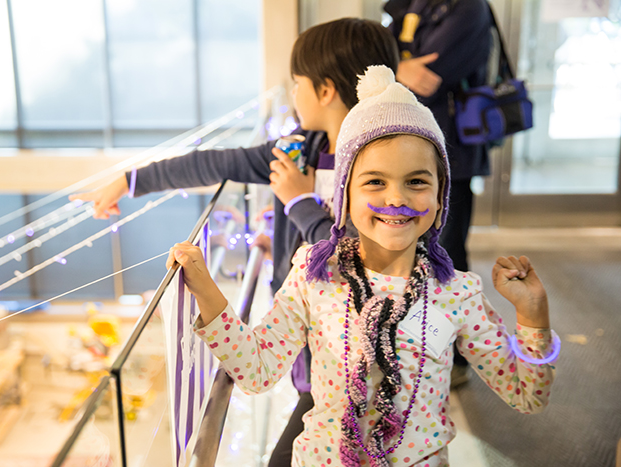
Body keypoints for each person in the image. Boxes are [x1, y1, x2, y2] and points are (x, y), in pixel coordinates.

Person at [167, 65, 558, 466]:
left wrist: (532, 314)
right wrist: (205, 289)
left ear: (441, 196)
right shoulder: (315, 276)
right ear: (344, 194)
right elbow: (257, 370)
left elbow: (527, 395)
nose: (396, 198)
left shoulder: (457, 293)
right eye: (374, 182)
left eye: (417, 182)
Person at [70, 18, 400, 467]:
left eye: (297, 83)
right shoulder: (301, 148)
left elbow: (363, 260)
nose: (292, 94)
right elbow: (218, 163)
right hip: (304, 338)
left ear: (325, 90)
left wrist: (299, 201)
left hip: (352, 357)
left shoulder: (377, 166)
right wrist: (132, 180)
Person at [385, 0, 494, 382]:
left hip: (453, 156)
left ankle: (455, 359)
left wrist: (393, 66)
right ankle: (419, 351)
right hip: (417, 152)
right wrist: (396, 67)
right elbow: (381, 57)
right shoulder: (411, 4)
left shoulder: (467, 8)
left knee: (445, 254)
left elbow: (426, 78)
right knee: (416, 256)